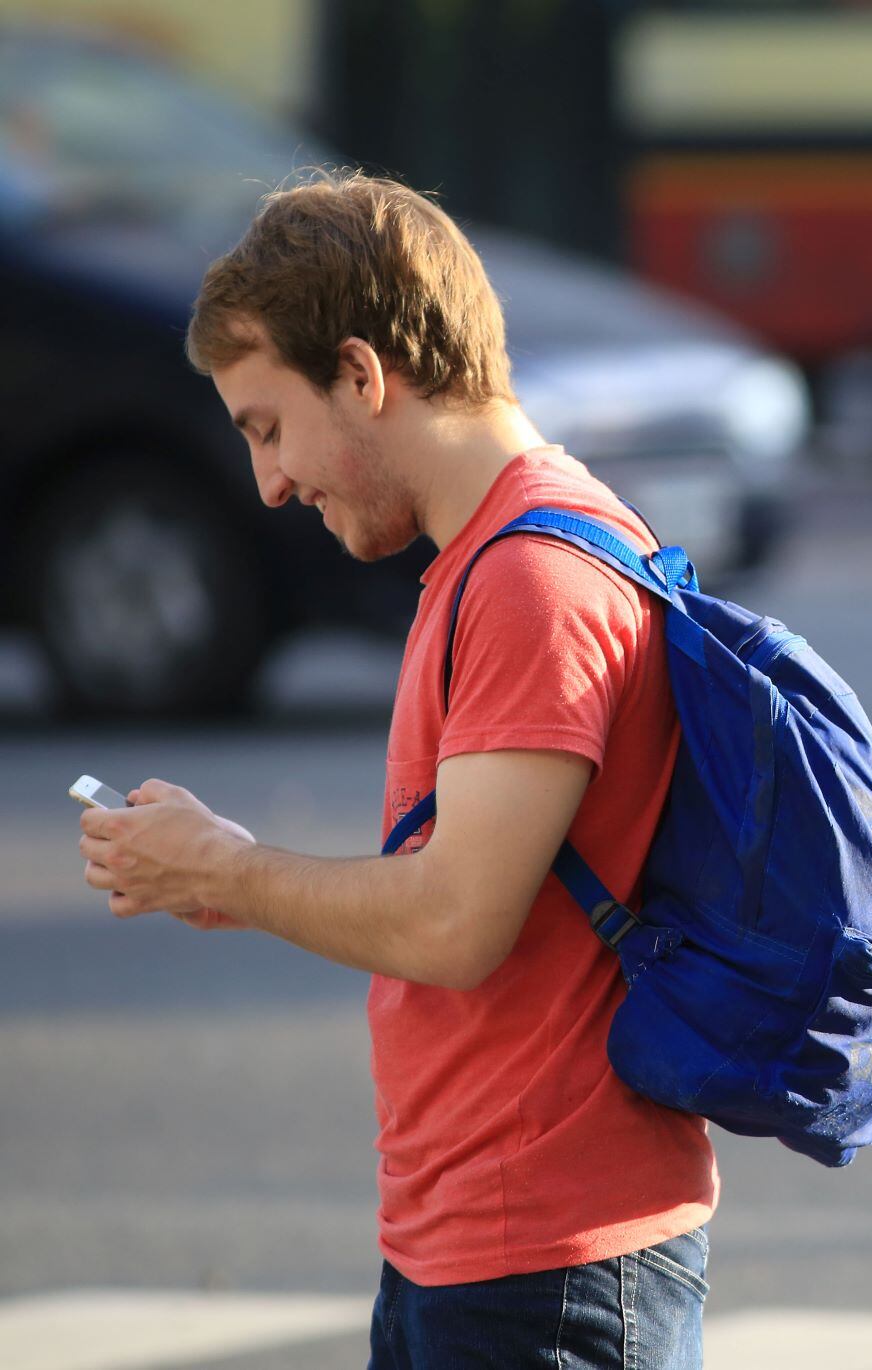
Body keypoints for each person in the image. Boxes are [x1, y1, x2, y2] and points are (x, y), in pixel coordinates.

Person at [75, 170, 716, 1368]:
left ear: (363, 376)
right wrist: (232, 877)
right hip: (473, 1246)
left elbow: (456, 921)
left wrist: (241, 866)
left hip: (549, 1265)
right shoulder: (489, 556)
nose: (268, 482)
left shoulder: (534, 579)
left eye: (270, 426)